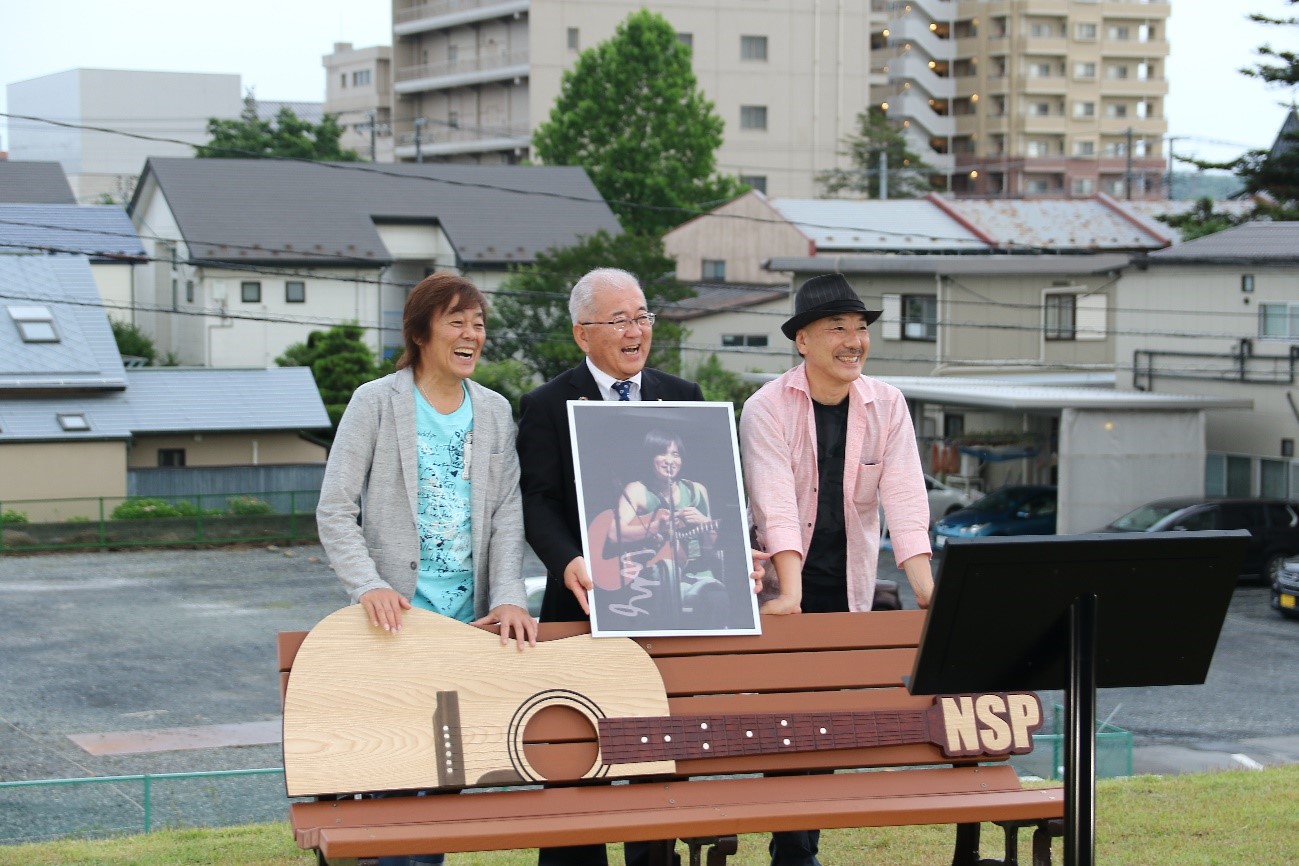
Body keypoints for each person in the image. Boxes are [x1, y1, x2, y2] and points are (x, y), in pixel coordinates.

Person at [317, 272, 538, 866]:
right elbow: (335, 509)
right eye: (456, 322)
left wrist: (512, 596)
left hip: (469, 629)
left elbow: (507, 514)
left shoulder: (492, 411)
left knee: (442, 788)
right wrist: (369, 586)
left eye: (479, 323)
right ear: (420, 332)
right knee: (393, 785)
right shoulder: (375, 402)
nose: (472, 335)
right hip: (396, 626)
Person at [517, 267, 721, 866]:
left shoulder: (685, 399)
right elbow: (538, 500)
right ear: (583, 334)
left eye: (643, 317)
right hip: (583, 605)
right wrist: (568, 559)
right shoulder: (548, 404)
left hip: (668, 608)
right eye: (620, 320)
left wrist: (734, 551)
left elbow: (711, 490)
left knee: (655, 760)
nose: (636, 331)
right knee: (577, 761)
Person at [738, 272, 934, 866]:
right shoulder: (766, 406)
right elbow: (773, 504)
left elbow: (905, 500)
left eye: (860, 328)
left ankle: (798, 849)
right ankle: (793, 851)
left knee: (823, 721)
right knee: (789, 720)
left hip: (846, 581)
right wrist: (790, 594)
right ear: (802, 341)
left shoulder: (887, 404)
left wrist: (928, 593)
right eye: (836, 329)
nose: (853, 340)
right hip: (779, 587)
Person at [601, 429, 726, 628]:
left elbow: (711, 543)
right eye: (662, 453)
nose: (670, 460)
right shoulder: (637, 490)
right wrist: (656, 527)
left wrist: (702, 521)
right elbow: (614, 533)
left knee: (717, 600)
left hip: (700, 576)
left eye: (675, 454)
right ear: (650, 458)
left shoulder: (696, 491)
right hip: (656, 576)